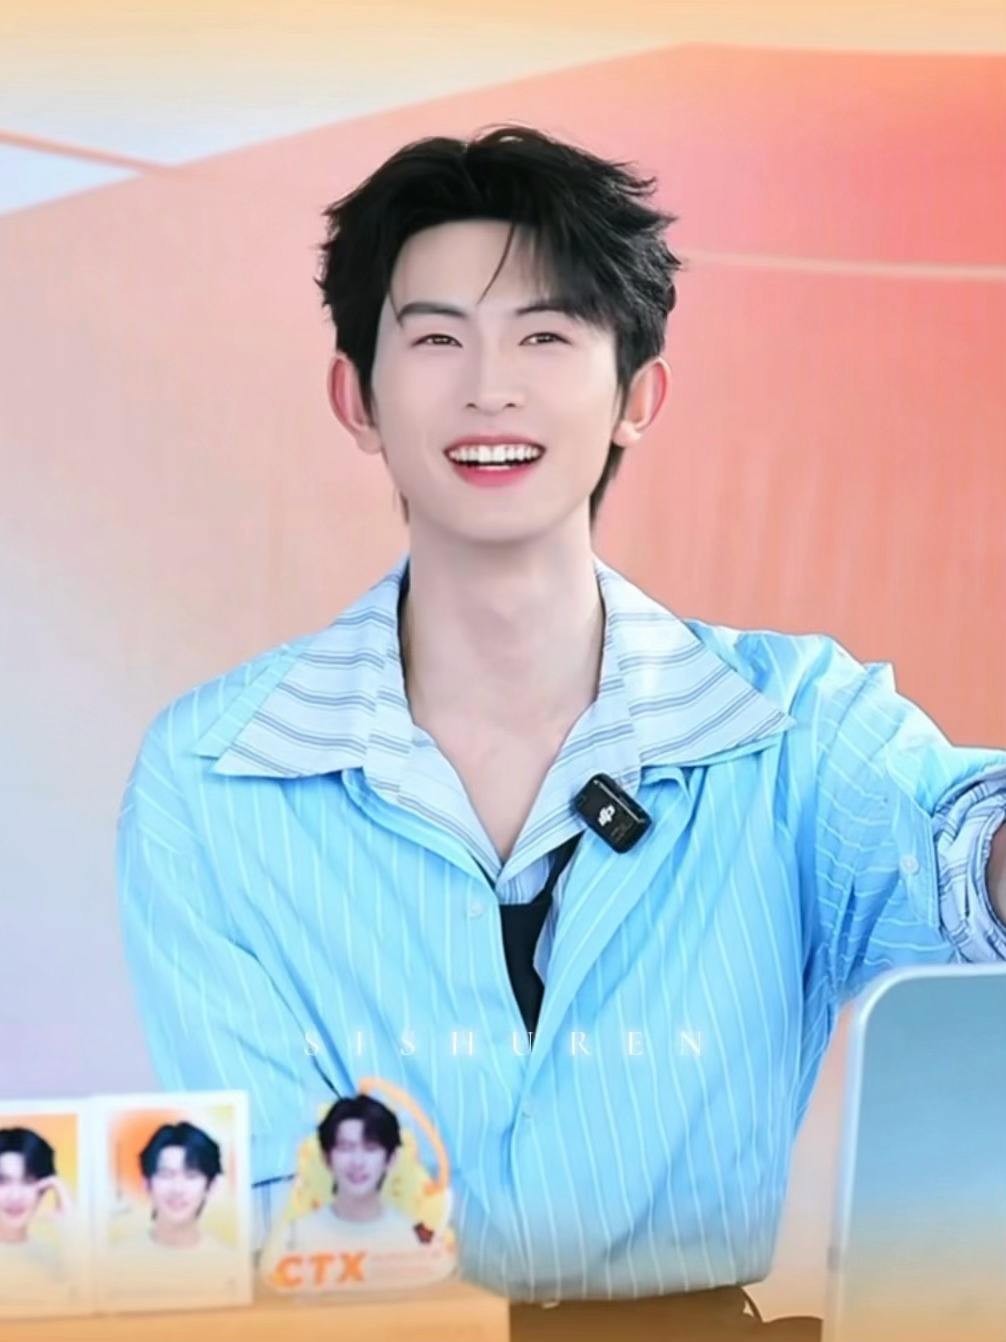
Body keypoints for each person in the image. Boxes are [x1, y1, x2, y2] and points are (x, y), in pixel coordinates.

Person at [117, 126, 1006, 1338]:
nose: (491, 387)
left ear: (638, 396)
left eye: (545, 335)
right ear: (356, 398)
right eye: (437, 338)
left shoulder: (795, 729)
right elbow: (277, 1193)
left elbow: (961, 859)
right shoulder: (211, 779)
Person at [260, 1094, 442, 1292]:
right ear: (326, 1157)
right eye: (346, 1148)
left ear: (391, 1159)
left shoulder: (417, 1238)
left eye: (371, 1148)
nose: (357, 1161)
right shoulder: (292, 1237)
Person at [107, 1121, 238, 1298]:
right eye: (166, 1175)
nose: (177, 1188)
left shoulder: (229, 1263)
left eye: (191, 1175)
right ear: (147, 1184)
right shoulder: (117, 1262)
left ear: (211, 1186)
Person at [0, 1126, 77, 1309]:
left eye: (28, 1181)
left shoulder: (55, 1259)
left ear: (44, 1188)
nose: (15, 1196)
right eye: (3, 1182)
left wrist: (73, 1232)